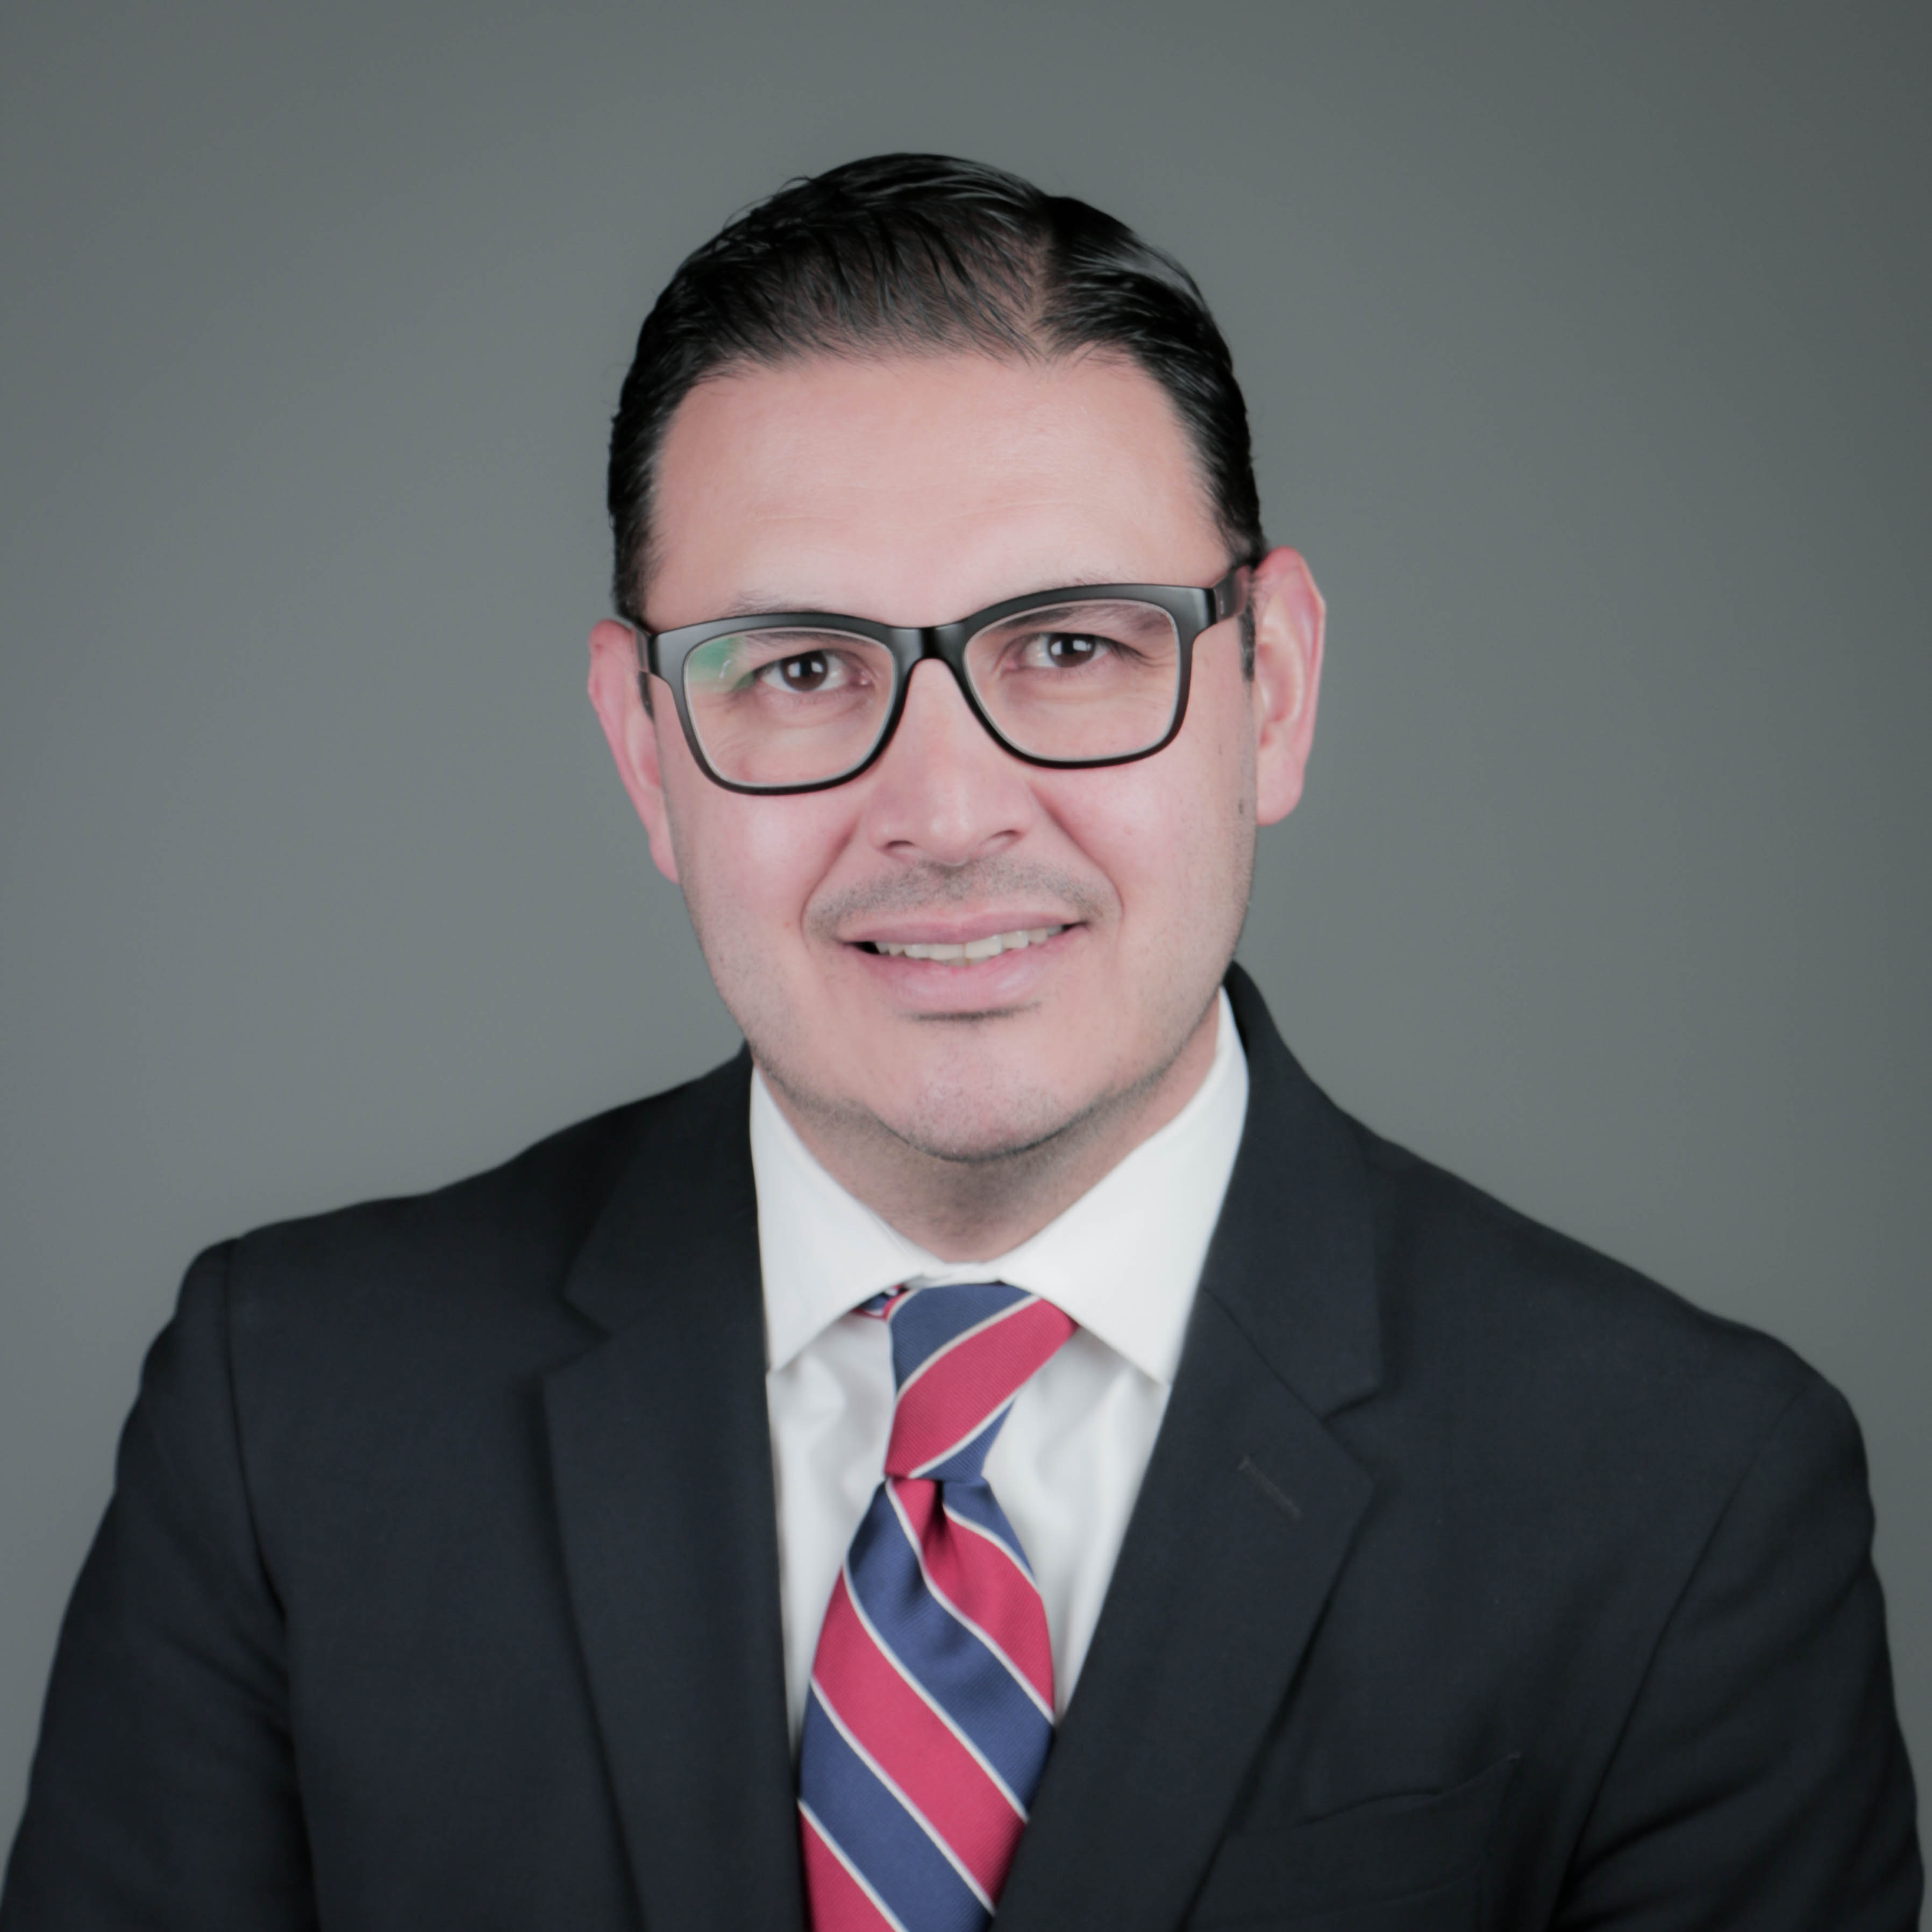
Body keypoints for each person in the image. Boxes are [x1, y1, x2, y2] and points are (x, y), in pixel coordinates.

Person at [1, 153, 1919, 1931]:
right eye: (801, 667)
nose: (942, 810)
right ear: (646, 750)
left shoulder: (1682, 1495)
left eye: (1069, 647)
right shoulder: (289, 1413)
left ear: (1270, 691)